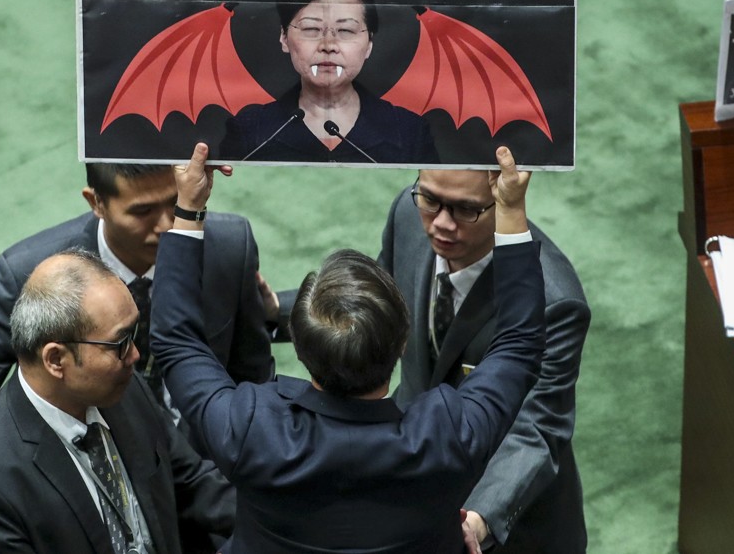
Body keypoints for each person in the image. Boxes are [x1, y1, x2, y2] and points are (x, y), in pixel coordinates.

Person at [0, 163, 273, 547]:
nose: (164, 226)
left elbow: (253, 377)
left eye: (174, 205)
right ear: (96, 202)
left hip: (207, 479)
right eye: (141, 211)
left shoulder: (227, 247)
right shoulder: (35, 276)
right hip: (90, 496)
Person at [151, 143, 544, 553]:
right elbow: (520, 342)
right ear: (402, 339)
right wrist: (511, 208)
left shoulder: (250, 428)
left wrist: (189, 207)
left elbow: (176, 340)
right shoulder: (448, 434)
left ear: (300, 349)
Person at [0, 249, 234, 553]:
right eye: (120, 342)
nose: (134, 355)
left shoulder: (121, 388)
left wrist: (277, 517)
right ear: (56, 359)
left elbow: (191, 483)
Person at [381, 167, 591, 552]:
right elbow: (372, 311)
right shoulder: (407, 216)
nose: (441, 224)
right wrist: (275, 309)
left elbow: (537, 430)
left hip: (506, 521)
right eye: (430, 200)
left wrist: (477, 520)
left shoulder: (554, 301)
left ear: (502, 200)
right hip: (411, 491)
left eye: (465, 210)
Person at [218, 0, 438, 164]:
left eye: (345, 30)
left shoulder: (410, 132)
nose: (328, 45)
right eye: (311, 29)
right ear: (284, 37)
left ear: (369, 43)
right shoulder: (250, 131)